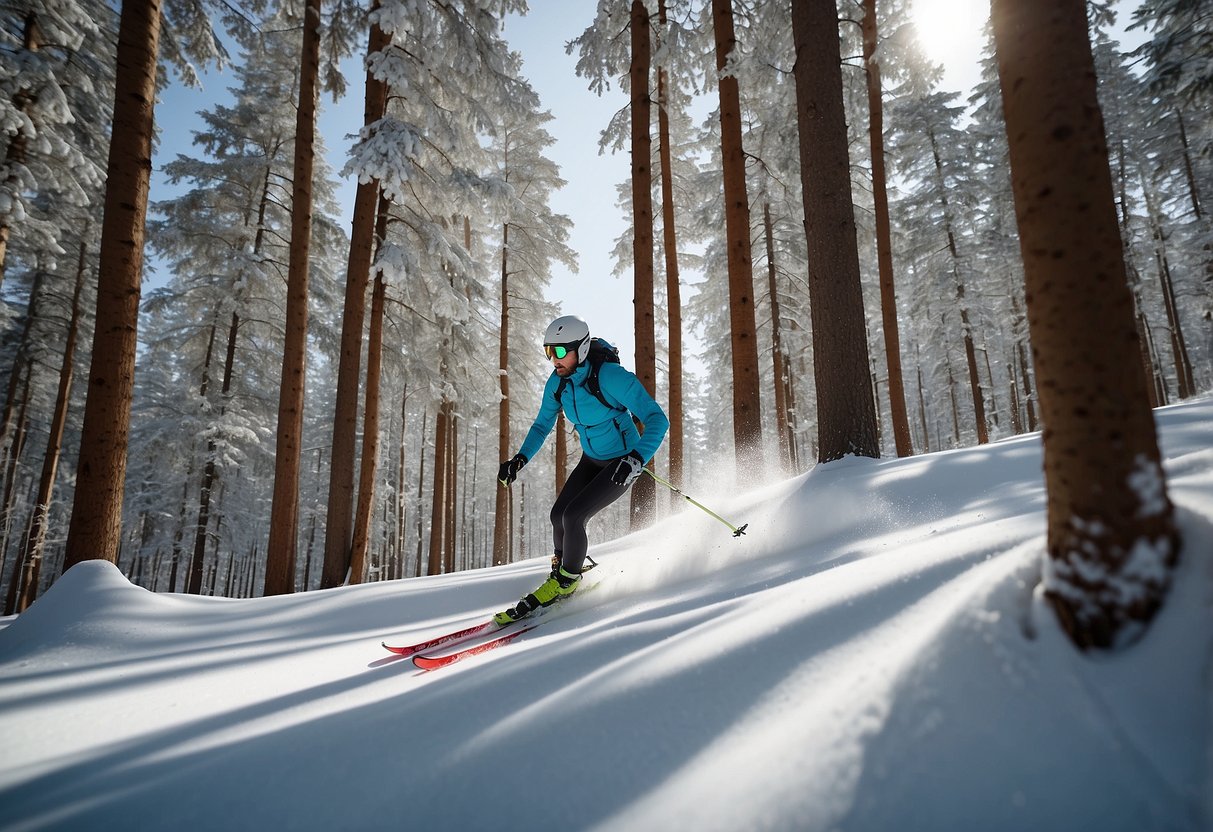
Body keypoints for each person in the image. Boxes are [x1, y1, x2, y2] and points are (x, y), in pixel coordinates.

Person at [495, 315, 669, 624]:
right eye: (549, 351)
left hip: (622, 461)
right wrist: (519, 459)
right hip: (591, 459)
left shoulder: (612, 377)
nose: (554, 360)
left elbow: (657, 418)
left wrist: (636, 459)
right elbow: (541, 425)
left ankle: (566, 581)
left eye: (560, 352)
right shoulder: (558, 384)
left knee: (574, 517)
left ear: (582, 348)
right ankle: (565, 568)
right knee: (557, 516)